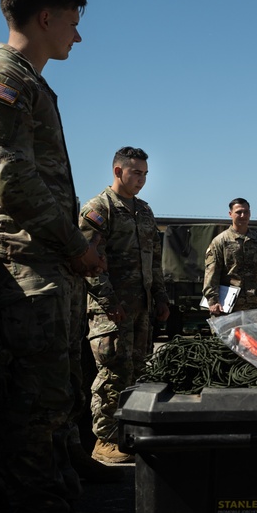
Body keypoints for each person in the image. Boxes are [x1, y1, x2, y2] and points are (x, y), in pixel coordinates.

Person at [0, 0, 125, 513]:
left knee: (58, 395)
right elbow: (9, 181)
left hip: (44, 261)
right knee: (34, 408)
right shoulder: (0, 77)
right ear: (45, 18)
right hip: (21, 261)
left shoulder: (30, 82)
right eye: (73, 22)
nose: (78, 37)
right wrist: (75, 245)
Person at [80, 146, 169, 463]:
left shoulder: (144, 211)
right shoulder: (98, 209)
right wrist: (108, 302)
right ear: (118, 171)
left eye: (145, 173)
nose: (141, 179)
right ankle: (104, 440)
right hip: (111, 312)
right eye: (136, 172)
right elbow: (87, 261)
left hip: (141, 310)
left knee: (138, 374)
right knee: (112, 374)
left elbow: (154, 260)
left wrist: (160, 296)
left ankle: (130, 435)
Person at [203, 198, 257, 314]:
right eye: (238, 212)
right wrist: (213, 300)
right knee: (229, 333)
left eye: (246, 212)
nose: (243, 215)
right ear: (230, 214)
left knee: (253, 333)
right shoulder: (221, 241)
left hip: (255, 304)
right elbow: (212, 272)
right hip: (228, 306)